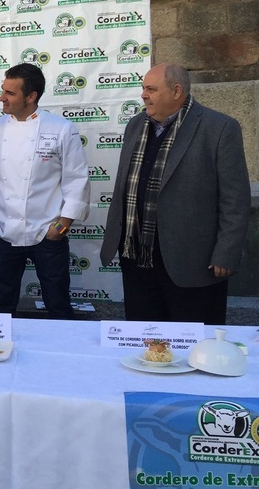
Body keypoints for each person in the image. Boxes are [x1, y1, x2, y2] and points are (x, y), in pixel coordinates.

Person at [100, 63, 249, 324]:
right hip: (136, 257)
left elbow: (235, 199)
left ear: (177, 91)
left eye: (151, 89)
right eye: (143, 88)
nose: (144, 95)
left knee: (194, 343)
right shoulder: (135, 125)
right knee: (144, 339)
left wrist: (226, 251)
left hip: (193, 260)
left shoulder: (219, 128)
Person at [0, 63, 90, 319]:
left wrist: (60, 227)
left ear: (31, 97)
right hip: (4, 232)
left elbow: (76, 181)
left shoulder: (61, 128)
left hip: (47, 233)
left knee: (58, 304)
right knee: (2, 306)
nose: (1, 98)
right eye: (2, 90)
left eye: (10, 93)